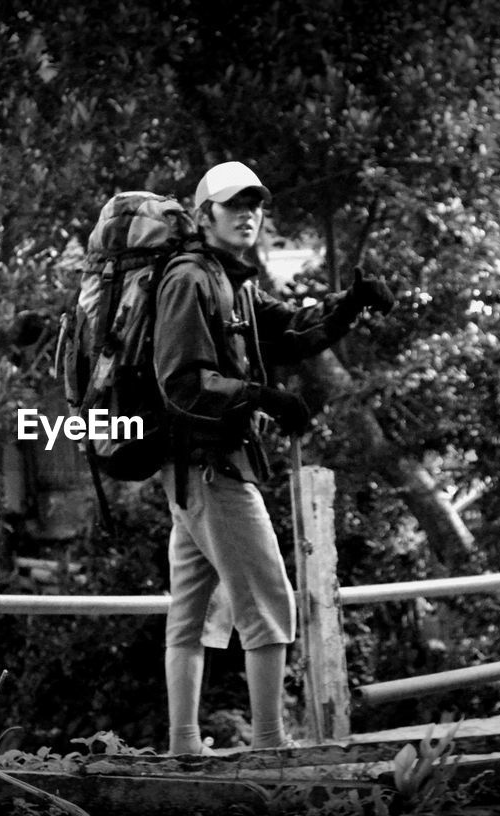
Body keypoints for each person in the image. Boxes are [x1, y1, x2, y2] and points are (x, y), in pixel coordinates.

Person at [153, 160, 394, 755]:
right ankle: (270, 744)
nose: (248, 214)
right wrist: (261, 396)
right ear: (205, 213)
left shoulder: (232, 280)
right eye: (234, 204)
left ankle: (184, 745)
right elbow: (181, 382)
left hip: (198, 472)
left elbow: (288, 332)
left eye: (255, 204)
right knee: (270, 602)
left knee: (193, 611)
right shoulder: (190, 280)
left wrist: (348, 305)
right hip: (211, 467)